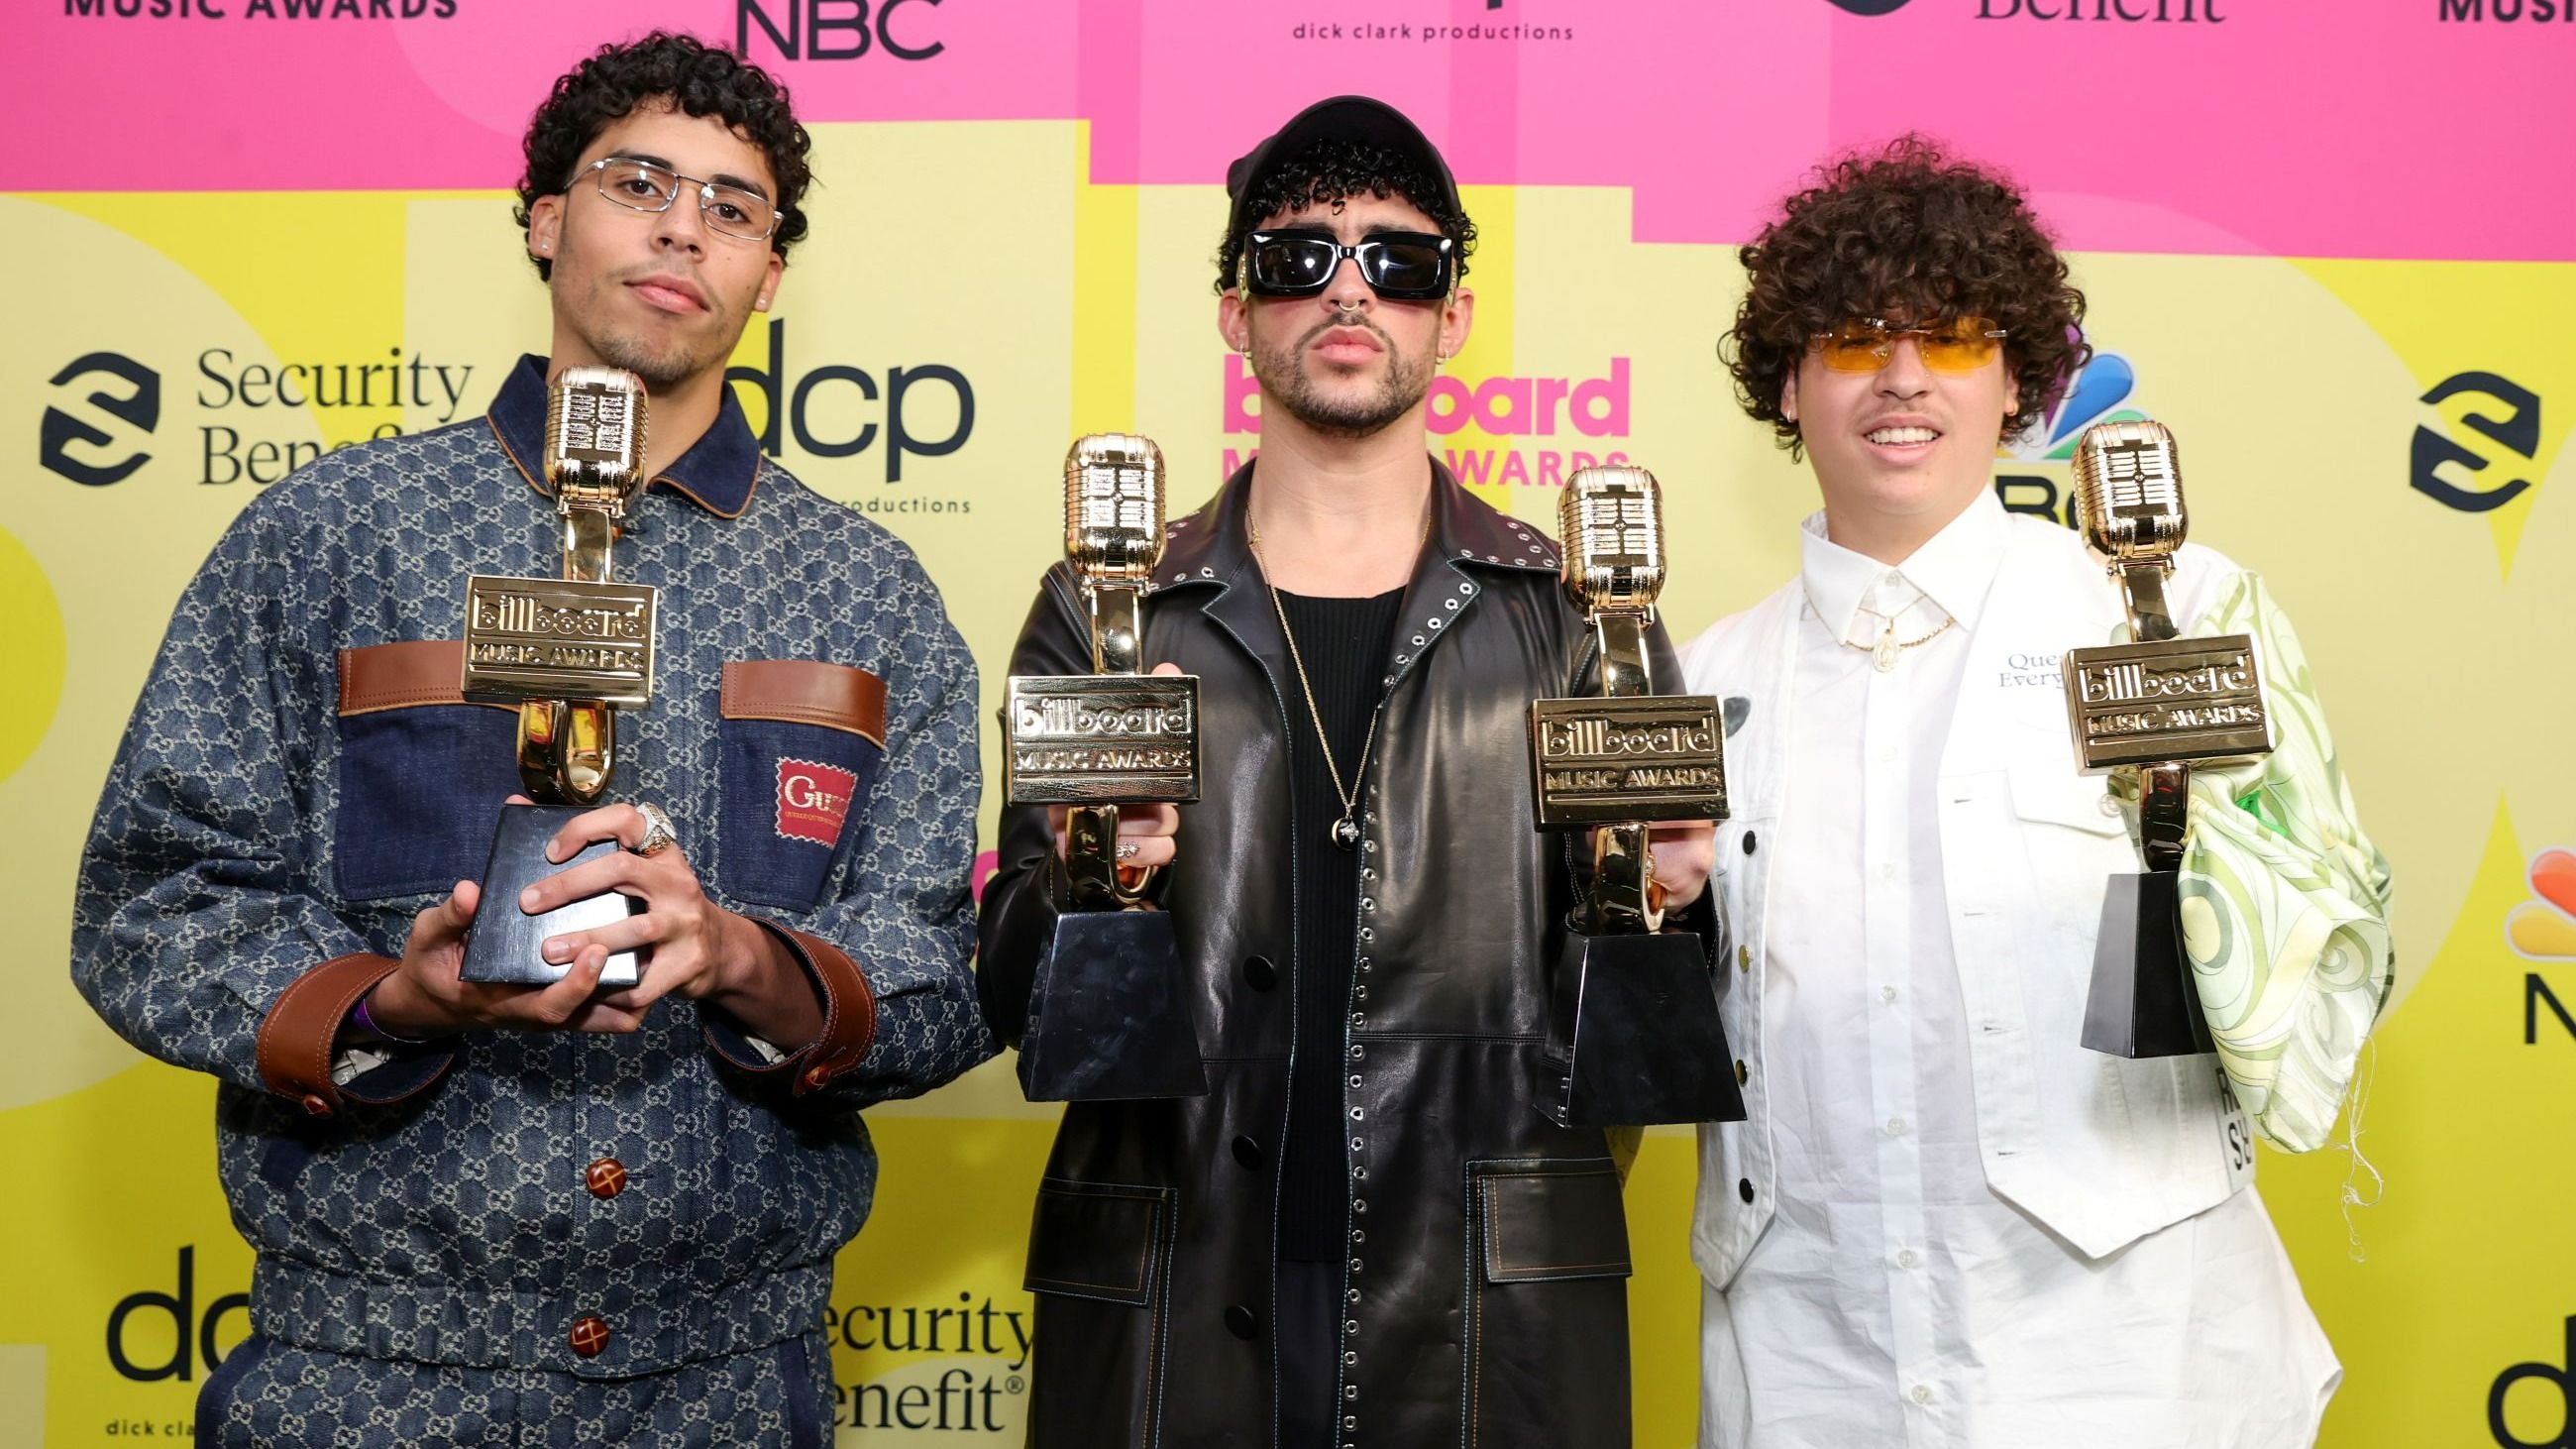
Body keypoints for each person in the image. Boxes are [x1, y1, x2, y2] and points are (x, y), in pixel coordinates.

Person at [71, 31, 989, 1443]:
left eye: (734, 208)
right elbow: (147, 900)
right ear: (548, 219)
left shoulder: (868, 596)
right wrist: (393, 997)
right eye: (640, 182)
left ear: (771, 273)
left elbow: (943, 971)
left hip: (732, 1385)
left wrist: (746, 957)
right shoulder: (333, 536)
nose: (686, 225)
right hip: (362, 1373)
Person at [976, 94, 1715, 1448]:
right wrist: (1098, 875)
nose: (1350, 287)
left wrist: (1656, 908)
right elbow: (1015, 996)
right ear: (1233, 311)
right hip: (1172, 1296)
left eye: (1401, 259)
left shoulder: (1575, 615)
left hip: (1489, 1314)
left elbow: (1645, 1054)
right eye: (1297, 256)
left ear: (1455, 317)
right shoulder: (1107, 610)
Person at [1681, 137, 2394, 1447]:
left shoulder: (2176, 618)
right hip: (1804, 1362)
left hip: (2131, 1366)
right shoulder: (1696, 680)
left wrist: (2203, 846)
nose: (1902, 378)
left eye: (1950, 338)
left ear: (2016, 378)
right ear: (1788, 380)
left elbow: (2339, 945)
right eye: (1853, 337)